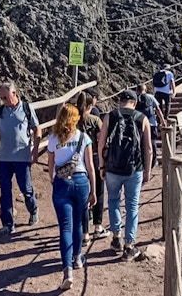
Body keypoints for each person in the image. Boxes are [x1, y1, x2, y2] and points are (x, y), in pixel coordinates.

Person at [98, 90, 153, 262]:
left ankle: (116, 238)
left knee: (113, 201)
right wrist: (147, 171)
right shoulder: (142, 118)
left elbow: (101, 143)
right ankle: (129, 246)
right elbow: (149, 148)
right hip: (134, 169)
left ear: (120, 102)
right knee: (132, 206)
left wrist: (101, 165)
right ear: (135, 103)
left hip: (112, 168)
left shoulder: (110, 116)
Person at [47, 103, 97, 290]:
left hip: (61, 183)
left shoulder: (53, 139)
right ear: (76, 118)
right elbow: (90, 165)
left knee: (65, 228)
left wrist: (54, 181)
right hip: (81, 181)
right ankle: (77, 258)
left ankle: (67, 269)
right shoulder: (83, 137)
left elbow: (50, 167)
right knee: (78, 224)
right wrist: (93, 190)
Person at [0, 81, 41, 237]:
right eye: (1, 98)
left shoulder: (26, 108)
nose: (3, 101)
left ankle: (33, 209)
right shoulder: (0, 112)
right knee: (5, 192)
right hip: (4, 159)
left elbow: (36, 128)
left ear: (14, 93)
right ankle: (8, 224)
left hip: (22, 157)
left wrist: (35, 149)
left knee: (25, 189)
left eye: (5, 97)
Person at [76, 91, 108, 247]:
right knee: (99, 191)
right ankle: (98, 226)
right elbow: (103, 142)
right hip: (95, 157)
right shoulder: (95, 121)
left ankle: (84, 233)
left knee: (82, 194)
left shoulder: (74, 121)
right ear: (90, 105)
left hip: (78, 159)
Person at [136, 84, 166, 169]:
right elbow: (158, 110)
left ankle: (142, 163)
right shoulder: (151, 97)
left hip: (139, 124)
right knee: (152, 143)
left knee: (140, 144)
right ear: (145, 89)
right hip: (151, 124)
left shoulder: (135, 99)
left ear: (137, 90)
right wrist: (162, 121)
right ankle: (153, 161)